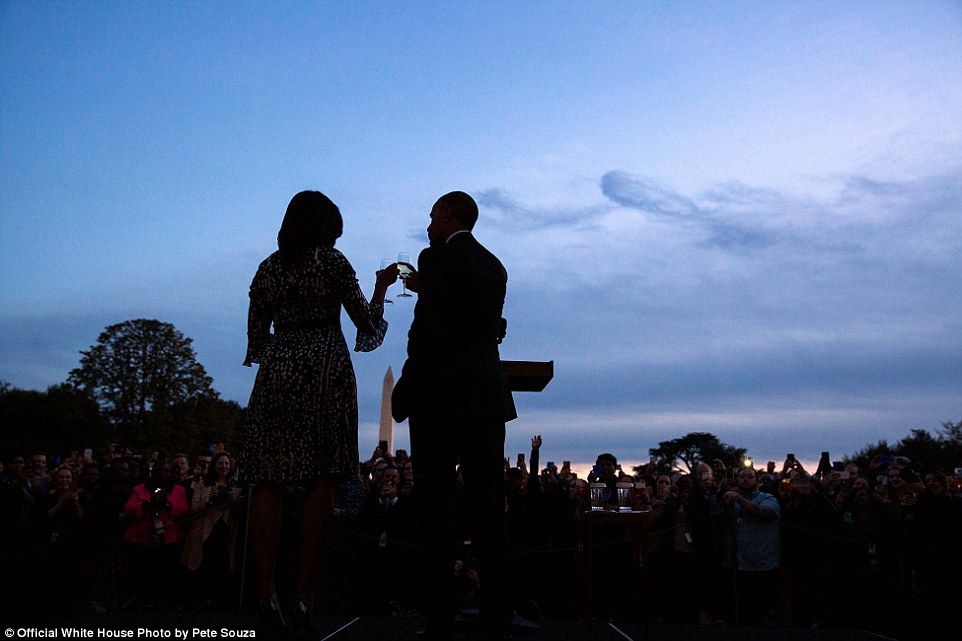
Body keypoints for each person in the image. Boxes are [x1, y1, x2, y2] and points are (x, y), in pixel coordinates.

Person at [236, 190, 397, 634]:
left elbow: (255, 335)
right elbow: (366, 324)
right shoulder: (332, 262)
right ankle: (305, 597)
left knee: (266, 480)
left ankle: (265, 593)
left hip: (277, 371)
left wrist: (281, 360)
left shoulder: (267, 268)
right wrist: (381, 287)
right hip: (326, 368)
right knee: (320, 479)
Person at [392, 191, 516, 640]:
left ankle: (440, 614)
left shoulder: (433, 259)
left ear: (448, 216)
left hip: (440, 398)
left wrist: (407, 382)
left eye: (431, 216)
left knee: (437, 506)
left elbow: (429, 330)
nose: (427, 225)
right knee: (488, 506)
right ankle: (497, 611)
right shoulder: (495, 266)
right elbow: (482, 324)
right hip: (484, 397)